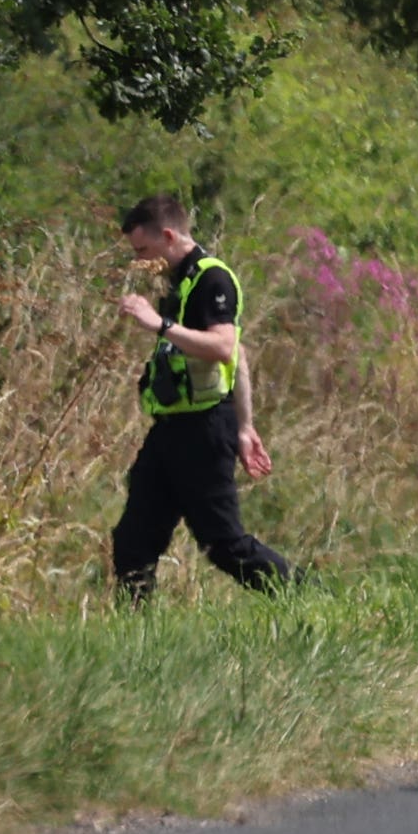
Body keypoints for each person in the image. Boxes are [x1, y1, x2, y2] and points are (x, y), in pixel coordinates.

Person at [111, 194, 295, 603]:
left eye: (143, 249)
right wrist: (247, 427)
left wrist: (157, 324)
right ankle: (133, 636)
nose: (139, 261)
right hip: (171, 431)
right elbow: (239, 356)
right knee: (132, 540)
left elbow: (223, 348)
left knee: (223, 545)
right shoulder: (179, 281)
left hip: (204, 430)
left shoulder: (213, 279)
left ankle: (308, 597)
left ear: (170, 235)